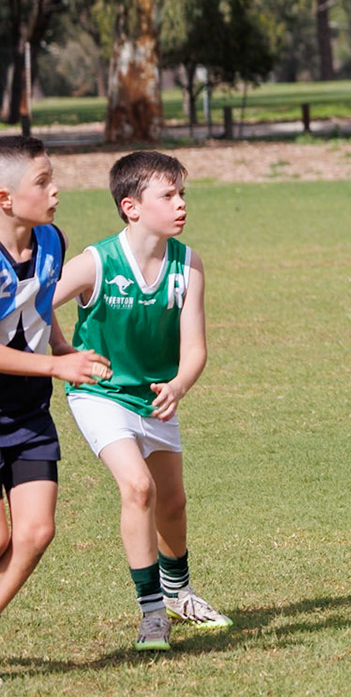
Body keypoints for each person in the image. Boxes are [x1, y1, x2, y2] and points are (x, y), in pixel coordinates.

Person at [53, 151, 227, 651]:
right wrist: (63, 352)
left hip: (155, 398)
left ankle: (179, 594)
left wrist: (179, 386)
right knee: (139, 488)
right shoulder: (97, 262)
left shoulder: (187, 264)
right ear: (131, 207)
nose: (181, 204)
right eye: (167, 195)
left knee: (173, 503)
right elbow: (35, 304)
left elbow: (195, 349)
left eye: (182, 194)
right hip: (100, 395)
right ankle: (152, 613)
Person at [0, 139, 111, 621]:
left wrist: (61, 345)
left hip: (27, 412)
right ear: (5, 198)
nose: (55, 191)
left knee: (36, 531)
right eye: (42, 182)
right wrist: (54, 366)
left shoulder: (52, 239)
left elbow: (38, 297)